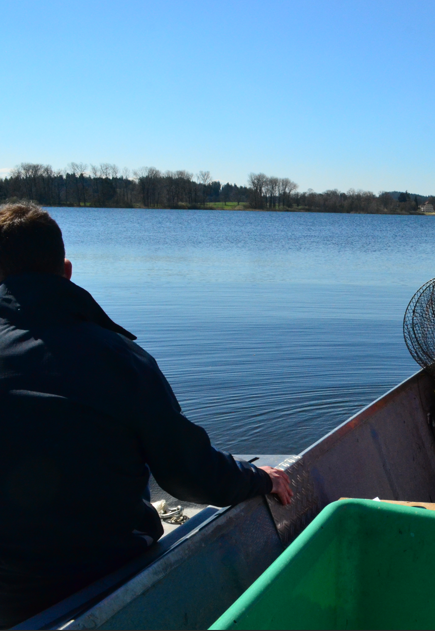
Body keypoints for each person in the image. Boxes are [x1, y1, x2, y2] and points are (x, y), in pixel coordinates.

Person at [0, 203, 293, 628]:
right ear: (66, 270)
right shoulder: (120, 360)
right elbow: (189, 476)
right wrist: (261, 477)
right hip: (108, 583)